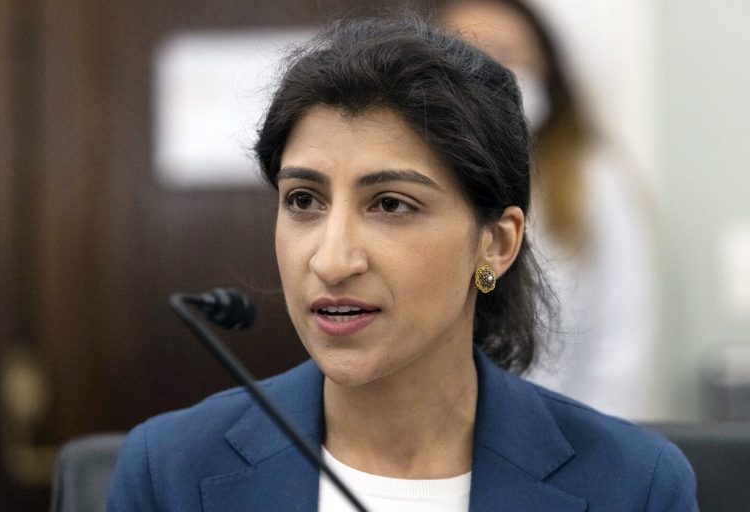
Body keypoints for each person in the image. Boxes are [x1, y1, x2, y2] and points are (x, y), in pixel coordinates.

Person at [107, 15, 696, 511]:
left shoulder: (634, 485)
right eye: (303, 201)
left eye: (390, 204)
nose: (332, 260)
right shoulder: (169, 472)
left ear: (496, 243)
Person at [438, 0, 661, 420]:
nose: (487, 72)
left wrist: (594, 445)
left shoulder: (595, 181)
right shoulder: (420, 185)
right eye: (463, 56)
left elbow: (623, 338)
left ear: (546, 68)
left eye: (505, 53)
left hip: (569, 434)